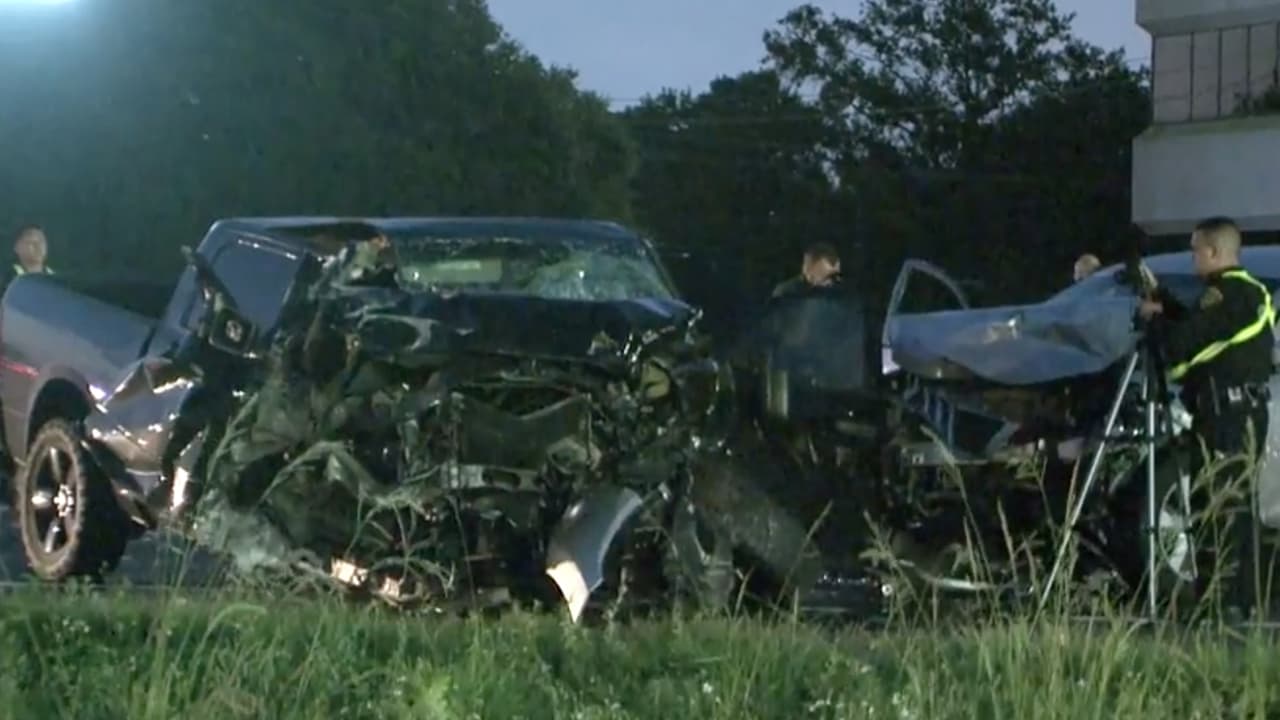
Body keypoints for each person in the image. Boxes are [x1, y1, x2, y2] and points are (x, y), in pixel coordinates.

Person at [1138, 216, 1276, 621]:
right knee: (1224, 503)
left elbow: (1185, 345)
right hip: (1231, 410)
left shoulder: (1229, 293)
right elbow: (1207, 335)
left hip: (1227, 413)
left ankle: (1228, 602)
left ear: (1214, 251)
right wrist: (1167, 303)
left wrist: (1155, 317)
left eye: (1196, 248)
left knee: (1222, 506)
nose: (1192, 256)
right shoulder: (1239, 294)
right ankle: (1233, 599)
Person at [771, 243, 841, 299]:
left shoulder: (837, 292)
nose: (830, 281)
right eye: (826, 275)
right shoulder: (786, 292)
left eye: (834, 274)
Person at [2, 224, 54, 290]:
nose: (38, 246)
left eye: (41, 241)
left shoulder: (54, 278)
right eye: (31, 242)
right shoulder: (7, 277)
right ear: (17, 247)